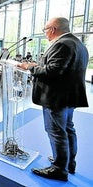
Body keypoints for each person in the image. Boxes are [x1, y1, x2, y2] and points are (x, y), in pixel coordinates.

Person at [17, 17, 89, 181]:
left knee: (56, 132)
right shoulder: (77, 43)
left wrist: (30, 67)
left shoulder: (62, 44)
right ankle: (68, 162)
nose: (45, 33)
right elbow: (61, 69)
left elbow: (52, 71)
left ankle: (59, 168)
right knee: (68, 128)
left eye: (45, 30)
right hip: (69, 96)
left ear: (53, 29)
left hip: (56, 97)